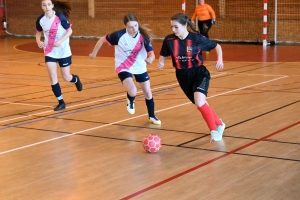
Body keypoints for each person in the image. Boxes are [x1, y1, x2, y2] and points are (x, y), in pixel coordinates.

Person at [157, 13, 225, 143]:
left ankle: (214, 132)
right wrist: (161, 62)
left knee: (200, 102)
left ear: (184, 26)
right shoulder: (169, 40)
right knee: (202, 104)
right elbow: (163, 54)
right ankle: (219, 124)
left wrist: (220, 59)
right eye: (172, 27)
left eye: (176, 27)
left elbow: (217, 46)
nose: (173, 30)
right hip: (182, 76)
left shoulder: (197, 38)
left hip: (199, 73)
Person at [89, 13, 161, 125]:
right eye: (130, 27)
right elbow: (102, 39)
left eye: (136, 26)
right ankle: (130, 99)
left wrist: (150, 59)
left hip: (140, 66)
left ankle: (152, 116)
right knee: (133, 90)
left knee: (148, 92)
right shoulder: (118, 36)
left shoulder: (143, 37)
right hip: (123, 66)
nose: (134, 29)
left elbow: (151, 54)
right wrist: (94, 54)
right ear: (125, 27)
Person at [36, 0, 82, 111]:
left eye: (48, 4)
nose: (46, 7)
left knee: (66, 77)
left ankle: (75, 79)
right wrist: (38, 41)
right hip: (49, 51)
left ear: (52, 6)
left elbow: (69, 31)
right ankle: (61, 102)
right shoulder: (40, 20)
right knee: (53, 77)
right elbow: (38, 32)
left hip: (63, 51)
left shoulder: (60, 17)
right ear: (42, 7)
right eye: (44, 5)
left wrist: (61, 41)